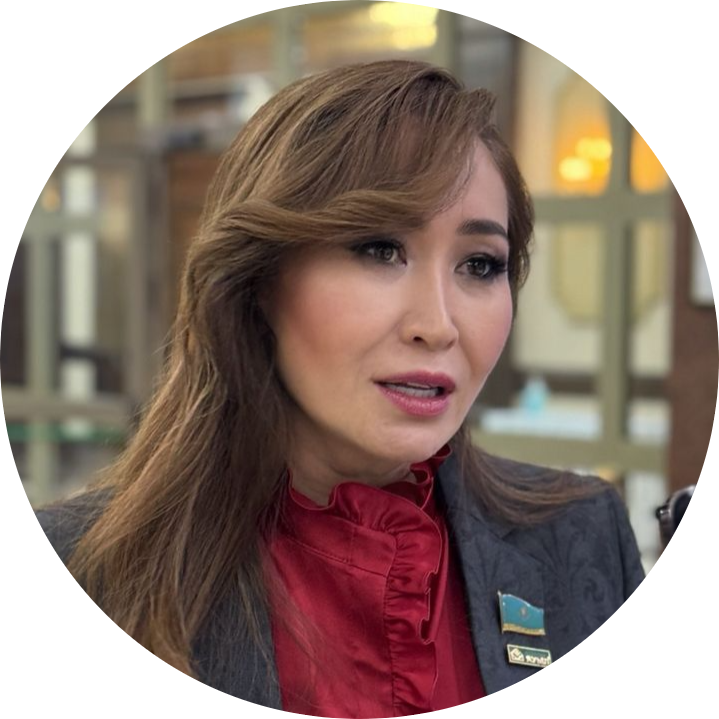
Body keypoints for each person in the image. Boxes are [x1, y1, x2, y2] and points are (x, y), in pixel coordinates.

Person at [34, 60, 645, 714]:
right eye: (379, 249)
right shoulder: (88, 565)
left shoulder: (580, 533)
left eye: (479, 264)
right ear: (260, 281)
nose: (438, 325)